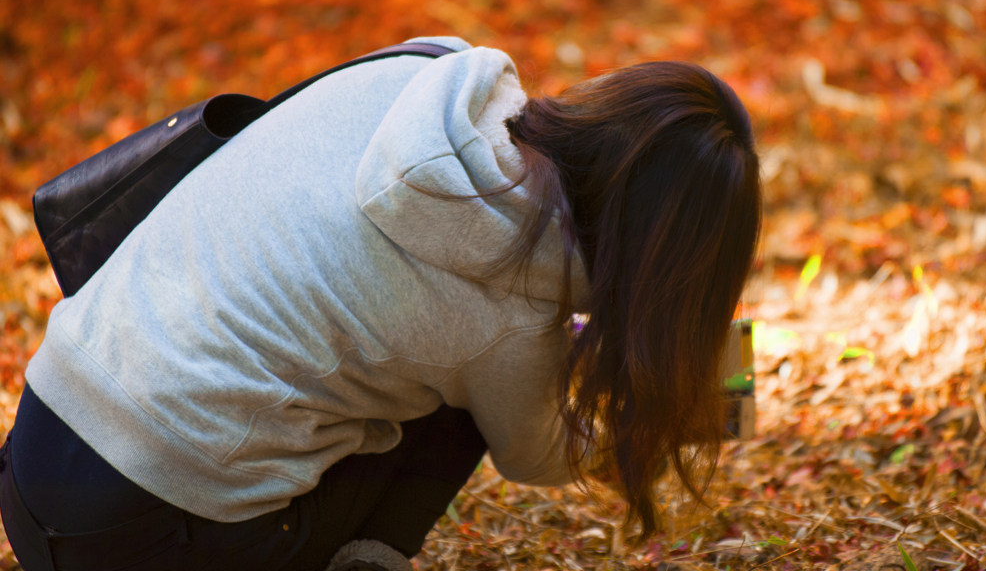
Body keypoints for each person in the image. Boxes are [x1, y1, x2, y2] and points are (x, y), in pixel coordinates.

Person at [0, 36, 761, 571]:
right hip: (144, 542)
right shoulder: (508, 319)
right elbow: (541, 456)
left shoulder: (432, 72)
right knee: (468, 404)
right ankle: (359, 560)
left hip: (35, 442)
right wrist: (662, 409)